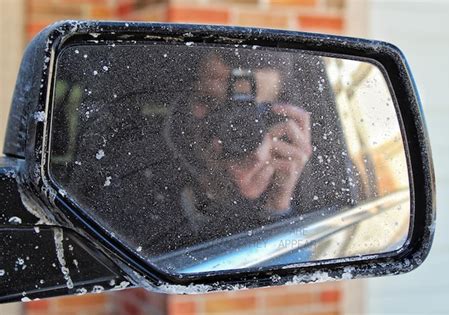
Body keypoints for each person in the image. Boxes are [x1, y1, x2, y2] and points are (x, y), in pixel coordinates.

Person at [55, 44, 361, 257]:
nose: (232, 124)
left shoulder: (310, 187)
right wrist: (209, 194)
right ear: (184, 104)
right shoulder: (130, 179)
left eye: (256, 112)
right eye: (211, 103)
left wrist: (279, 199)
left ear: (284, 119)